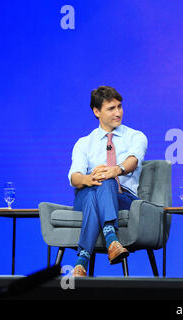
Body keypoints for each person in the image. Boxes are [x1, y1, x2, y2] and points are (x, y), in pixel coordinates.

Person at [68, 86, 148, 277]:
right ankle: (112, 239)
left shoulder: (136, 136)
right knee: (95, 188)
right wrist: (90, 178)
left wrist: (115, 170)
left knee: (108, 181)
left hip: (123, 197)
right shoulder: (84, 142)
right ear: (97, 112)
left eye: (119, 107)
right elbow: (74, 177)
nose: (118, 112)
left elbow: (133, 161)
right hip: (87, 192)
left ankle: (82, 261)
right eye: (111, 109)